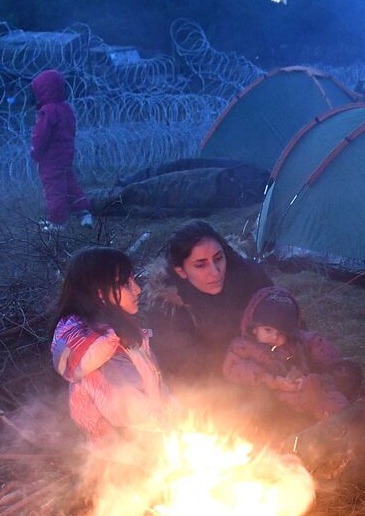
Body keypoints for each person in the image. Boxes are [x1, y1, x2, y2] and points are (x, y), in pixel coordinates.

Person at [51, 248, 168, 444]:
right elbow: (127, 407)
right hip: (120, 457)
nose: (138, 289)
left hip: (149, 441)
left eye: (134, 280)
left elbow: (154, 383)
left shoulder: (123, 333)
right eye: (126, 284)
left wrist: (178, 413)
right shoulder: (95, 346)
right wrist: (172, 431)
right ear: (99, 293)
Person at [141, 220, 272, 384]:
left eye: (218, 259)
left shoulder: (248, 274)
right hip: (218, 386)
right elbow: (184, 366)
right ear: (181, 271)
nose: (215, 272)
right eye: (201, 265)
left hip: (270, 367)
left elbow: (284, 315)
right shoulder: (167, 305)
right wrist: (243, 364)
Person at [222, 286, 363, 427]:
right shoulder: (244, 346)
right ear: (254, 328)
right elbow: (234, 368)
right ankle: (333, 422)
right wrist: (274, 381)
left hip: (303, 384)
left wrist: (334, 370)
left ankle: (350, 419)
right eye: (268, 330)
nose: (274, 337)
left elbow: (317, 345)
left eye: (281, 333)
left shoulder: (296, 342)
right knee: (291, 401)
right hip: (272, 394)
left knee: (331, 389)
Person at [30, 69, 93, 228]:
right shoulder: (66, 109)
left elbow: (41, 136)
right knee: (70, 185)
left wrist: (35, 152)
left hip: (50, 159)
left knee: (54, 189)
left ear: (44, 90)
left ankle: (56, 222)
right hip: (65, 155)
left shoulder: (48, 112)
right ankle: (85, 214)